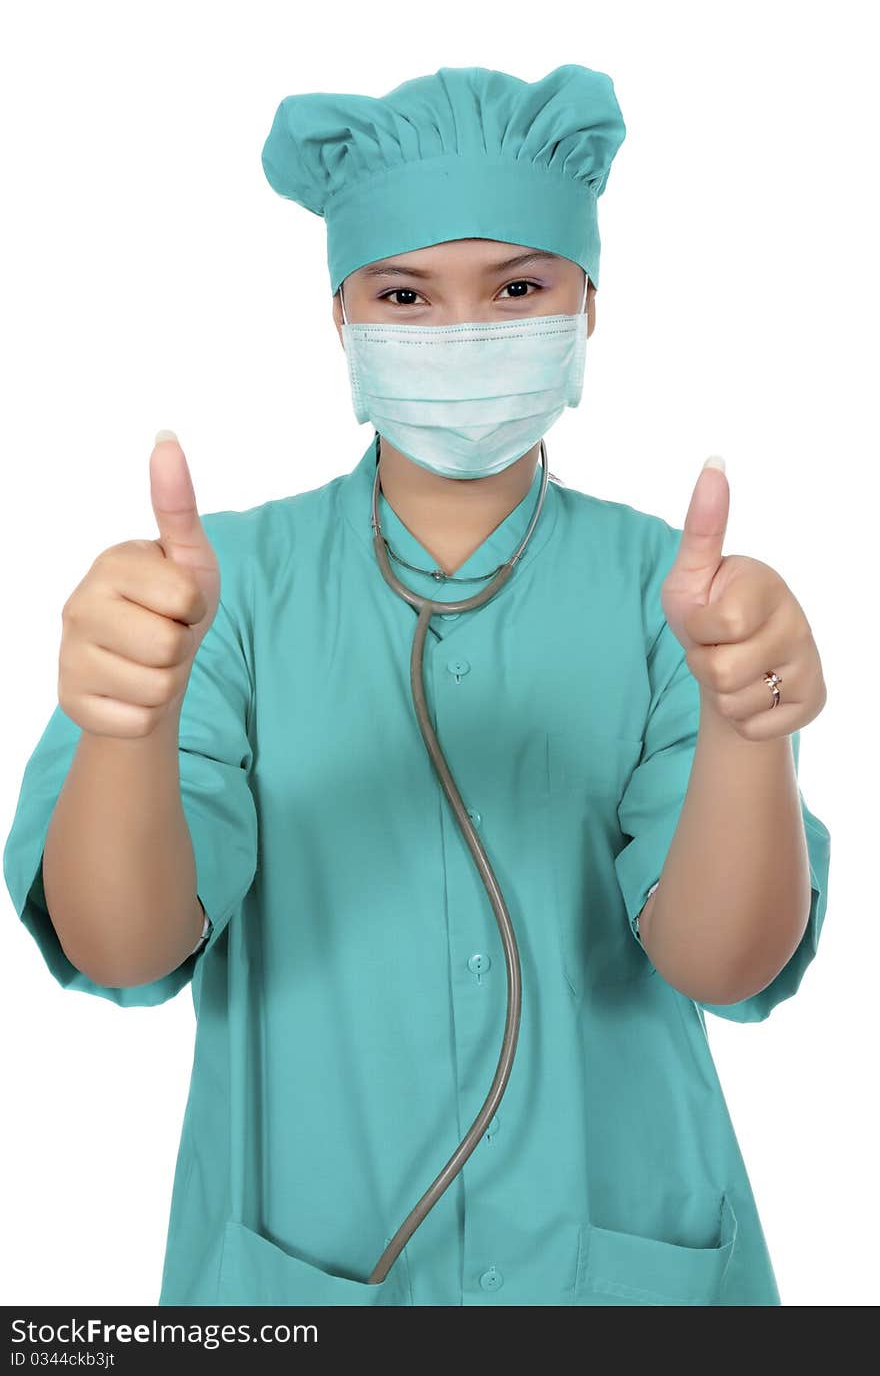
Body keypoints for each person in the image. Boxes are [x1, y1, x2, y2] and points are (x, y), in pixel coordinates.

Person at [2, 63, 830, 1307]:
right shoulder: (210, 595)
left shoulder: (685, 604)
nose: (466, 333)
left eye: (517, 287)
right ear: (340, 315)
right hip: (300, 1288)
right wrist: (128, 729)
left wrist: (745, 734)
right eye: (404, 293)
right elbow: (126, 952)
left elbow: (722, 965)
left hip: (621, 1277)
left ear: (587, 305)